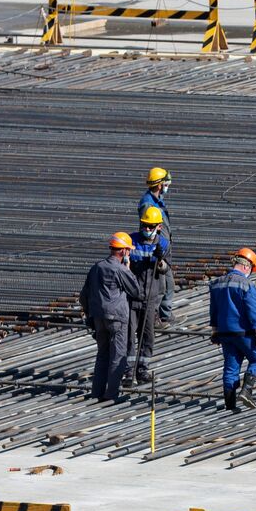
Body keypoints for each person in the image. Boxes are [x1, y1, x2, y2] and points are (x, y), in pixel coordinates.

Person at [79, 233, 141, 402]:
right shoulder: (120, 269)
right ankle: (111, 395)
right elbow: (136, 291)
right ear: (124, 251)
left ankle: (97, 393)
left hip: (98, 318)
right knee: (118, 357)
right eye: (128, 251)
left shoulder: (96, 267)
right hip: (117, 318)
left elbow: (83, 295)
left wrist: (90, 314)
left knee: (102, 355)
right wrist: (128, 268)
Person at [210, 248, 256, 412]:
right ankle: (246, 391)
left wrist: (215, 331)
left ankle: (230, 406)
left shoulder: (217, 283)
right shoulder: (247, 284)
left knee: (230, 368)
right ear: (247, 267)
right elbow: (253, 310)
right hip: (244, 333)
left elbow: (213, 310)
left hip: (224, 333)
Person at [127, 205, 171, 383]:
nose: (146, 229)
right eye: (144, 225)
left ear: (159, 227)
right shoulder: (131, 240)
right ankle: (128, 372)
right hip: (132, 297)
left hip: (151, 297)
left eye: (150, 227)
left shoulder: (163, 244)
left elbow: (166, 269)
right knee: (129, 336)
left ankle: (142, 370)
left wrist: (160, 261)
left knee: (147, 336)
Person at [140, 167, 175, 324]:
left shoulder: (157, 200)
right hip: (156, 248)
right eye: (165, 183)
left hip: (163, 247)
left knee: (167, 282)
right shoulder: (148, 204)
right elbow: (149, 228)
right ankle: (155, 317)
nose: (167, 186)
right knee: (160, 284)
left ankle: (163, 314)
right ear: (160, 184)